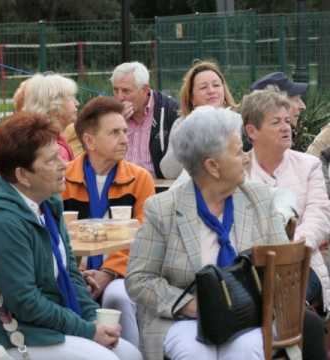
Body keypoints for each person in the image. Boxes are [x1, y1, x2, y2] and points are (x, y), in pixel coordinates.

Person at [126, 105, 311, 360]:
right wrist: (192, 306)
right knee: (194, 352)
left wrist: (257, 301)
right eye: (238, 152)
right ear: (213, 166)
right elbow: (139, 278)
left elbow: (283, 269)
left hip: (251, 314)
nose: (246, 157)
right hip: (185, 318)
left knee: (245, 350)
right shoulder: (163, 208)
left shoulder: (258, 199)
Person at [0, 112, 142, 360]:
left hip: (43, 324)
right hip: (9, 332)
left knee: (131, 354)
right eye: (52, 160)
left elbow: (70, 273)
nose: (64, 163)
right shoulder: (1, 221)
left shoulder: (48, 204)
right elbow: (25, 302)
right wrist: (87, 330)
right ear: (22, 175)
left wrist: (93, 317)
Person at [62, 96, 155, 347]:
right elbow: (56, 239)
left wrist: (108, 272)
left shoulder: (139, 179)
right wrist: (78, 273)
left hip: (122, 275)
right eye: (114, 132)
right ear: (89, 141)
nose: (125, 138)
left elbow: (144, 239)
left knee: (118, 297)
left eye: (125, 131)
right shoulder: (62, 180)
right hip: (74, 274)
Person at [241, 89, 330, 312]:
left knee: (291, 301)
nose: (286, 128)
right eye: (276, 122)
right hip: (251, 267)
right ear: (252, 131)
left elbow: (320, 216)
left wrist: (290, 248)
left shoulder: (309, 165)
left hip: (302, 263)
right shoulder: (237, 171)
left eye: (287, 121)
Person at [160, 60, 237, 179]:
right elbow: (169, 172)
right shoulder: (182, 124)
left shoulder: (238, 121)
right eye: (203, 87)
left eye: (216, 85)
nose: (211, 91)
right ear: (191, 98)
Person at [110, 61, 178, 178]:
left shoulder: (170, 111)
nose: (120, 97)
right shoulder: (108, 114)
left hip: (158, 187)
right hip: (119, 187)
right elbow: (101, 157)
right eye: (116, 90)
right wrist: (115, 124)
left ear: (145, 90)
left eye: (126, 91)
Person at [23, 73, 79, 162]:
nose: (77, 103)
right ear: (54, 105)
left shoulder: (36, 139)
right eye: (71, 98)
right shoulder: (54, 151)